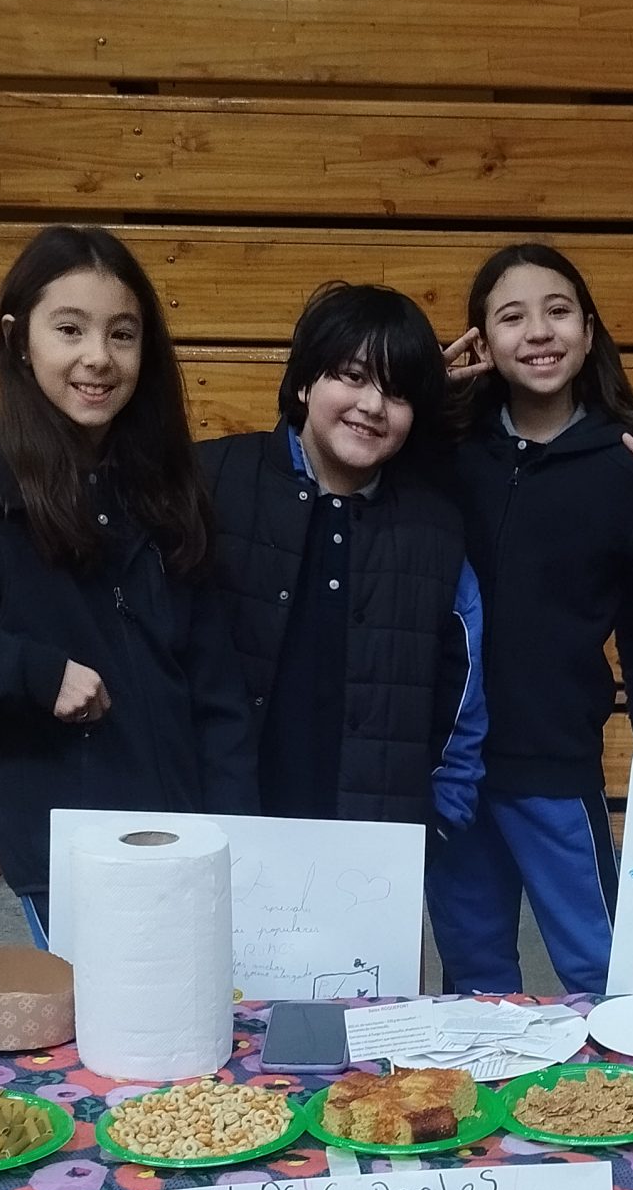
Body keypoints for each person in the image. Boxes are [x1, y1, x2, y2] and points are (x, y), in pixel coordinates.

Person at [0, 225, 254, 941]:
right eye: (69, 329)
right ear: (18, 340)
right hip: (75, 862)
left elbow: (217, 690)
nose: (99, 357)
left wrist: (238, 832)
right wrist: (34, 675)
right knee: (111, 1019)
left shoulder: (166, 489)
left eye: (123, 334)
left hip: (195, 845)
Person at [429, 243, 633, 995]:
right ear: (482, 341)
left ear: (589, 329)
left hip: (552, 759)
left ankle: (621, 1075)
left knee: (602, 969)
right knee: (474, 974)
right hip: (448, 766)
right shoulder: (442, 452)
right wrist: (425, 396)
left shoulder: (632, 460)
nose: (539, 332)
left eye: (558, 312)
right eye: (512, 317)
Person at [198, 282, 486, 845]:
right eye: (352, 377)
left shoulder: (435, 530)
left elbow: (464, 699)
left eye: (398, 392)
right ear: (306, 381)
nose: (373, 405)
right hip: (216, 835)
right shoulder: (210, 483)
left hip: (370, 856)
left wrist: (441, 823)